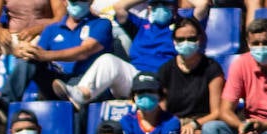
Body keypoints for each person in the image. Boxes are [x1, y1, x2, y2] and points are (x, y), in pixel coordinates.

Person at [49, 0, 208, 108]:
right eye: (156, 4)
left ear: (173, 7)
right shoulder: (142, 25)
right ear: (149, 7)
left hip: (165, 80)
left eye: (165, 4)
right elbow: (119, 8)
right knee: (108, 60)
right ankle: (81, 94)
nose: (161, 8)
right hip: (136, 78)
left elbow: (203, 4)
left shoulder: (184, 27)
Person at [0, 0, 112, 106]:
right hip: (56, 82)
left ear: (91, 1)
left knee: (77, 100)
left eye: (82, 0)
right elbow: (38, 53)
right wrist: (23, 52)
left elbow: (85, 51)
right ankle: (5, 102)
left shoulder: (101, 24)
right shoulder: (52, 29)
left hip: (84, 83)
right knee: (30, 59)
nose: (77, 3)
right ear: (65, 1)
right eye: (73, 0)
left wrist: (45, 55)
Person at [155, 17, 224, 134]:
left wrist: (194, 124)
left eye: (191, 39)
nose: (186, 43)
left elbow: (217, 112)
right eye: (180, 39)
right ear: (174, 41)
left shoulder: (212, 68)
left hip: (201, 124)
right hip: (174, 123)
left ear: (200, 39)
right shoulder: (166, 70)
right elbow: (161, 108)